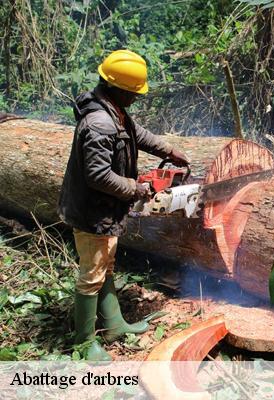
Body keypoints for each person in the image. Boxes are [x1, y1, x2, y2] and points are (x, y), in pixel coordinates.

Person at [58, 49, 190, 360]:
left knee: (106, 266)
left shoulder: (114, 111)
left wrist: (170, 151)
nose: (137, 99)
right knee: (91, 274)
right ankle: (83, 343)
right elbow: (97, 175)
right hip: (93, 212)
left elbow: (137, 135)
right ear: (118, 88)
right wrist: (136, 188)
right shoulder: (99, 123)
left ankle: (115, 324)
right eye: (134, 93)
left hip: (105, 210)